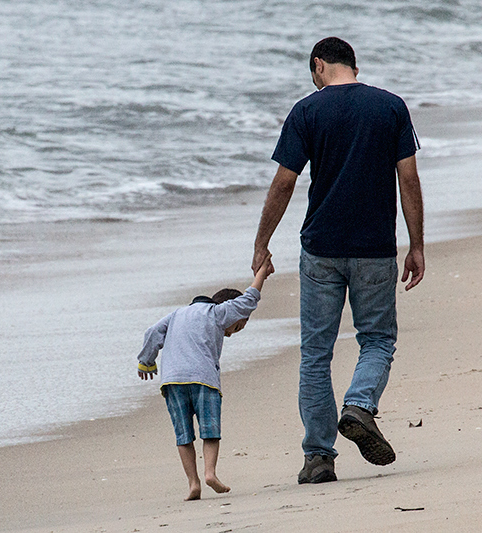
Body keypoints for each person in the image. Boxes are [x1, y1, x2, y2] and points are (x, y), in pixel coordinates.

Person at [252, 37, 425, 484]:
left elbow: (283, 184)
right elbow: (408, 178)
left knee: (315, 355)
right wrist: (417, 245)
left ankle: (318, 458)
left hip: (321, 250)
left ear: (318, 66)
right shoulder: (390, 107)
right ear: (354, 65)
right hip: (374, 249)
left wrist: (262, 242)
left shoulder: (307, 111)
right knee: (377, 340)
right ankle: (359, 406)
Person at [136, 253, 273, 500]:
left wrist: (146, 361)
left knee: (183, 434)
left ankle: (193, 483)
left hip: (173, 381)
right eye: (237, 327)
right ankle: (210, 473)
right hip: (203, 379)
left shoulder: (177, 314)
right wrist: (262, 271)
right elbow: (250, 298)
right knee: (210, 430)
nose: (231, 333)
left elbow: (153, 332)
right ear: (230, 311)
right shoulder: (218, 313)